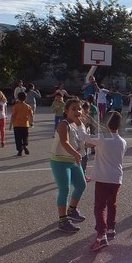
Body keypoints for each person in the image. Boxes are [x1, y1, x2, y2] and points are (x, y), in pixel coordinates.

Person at [85, 112, 127, 251]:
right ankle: (111, 229)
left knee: (99, 207)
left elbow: (85, 139)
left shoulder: (101, 138)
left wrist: (81, 125)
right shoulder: (123, 142)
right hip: (116, 178)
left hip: (103, 178)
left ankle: (101, 234)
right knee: (112, 204)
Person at [49, 98, 87, 233]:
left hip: (72, 160)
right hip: (60, 161)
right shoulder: (63, 124)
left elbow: (81, 142)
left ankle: (72, 210)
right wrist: (76, 154)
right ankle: (63, 221)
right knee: (64, 190)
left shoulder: (77, 125)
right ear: (66, 111)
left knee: (81, 185)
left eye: (79, 109)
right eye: (73, 109)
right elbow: (64, 142)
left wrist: (100, 144)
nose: (77, 111)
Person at [10, 91, 34, 156]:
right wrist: (31, 122)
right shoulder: (28, 106)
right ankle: (25, 145)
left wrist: (10, 124)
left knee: (18, 138)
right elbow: (31, 115)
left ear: (18, 98)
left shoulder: (15, 106)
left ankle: (19, 150)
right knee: (25, 136)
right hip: (25, 124)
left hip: (17, 124)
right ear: (26, 98)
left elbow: (13, 115)